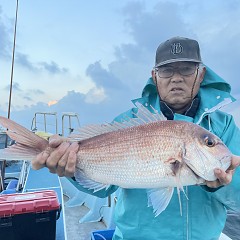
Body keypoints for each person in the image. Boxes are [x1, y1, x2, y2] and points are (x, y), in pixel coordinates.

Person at [32, 36, 240, 240]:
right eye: (167, 70)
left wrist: (223, 185)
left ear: (201, 74)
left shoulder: (224, 126)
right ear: (154, 75)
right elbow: (104, 189)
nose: (177, 78)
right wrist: (71, 170)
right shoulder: (128, 121)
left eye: (186, 69)